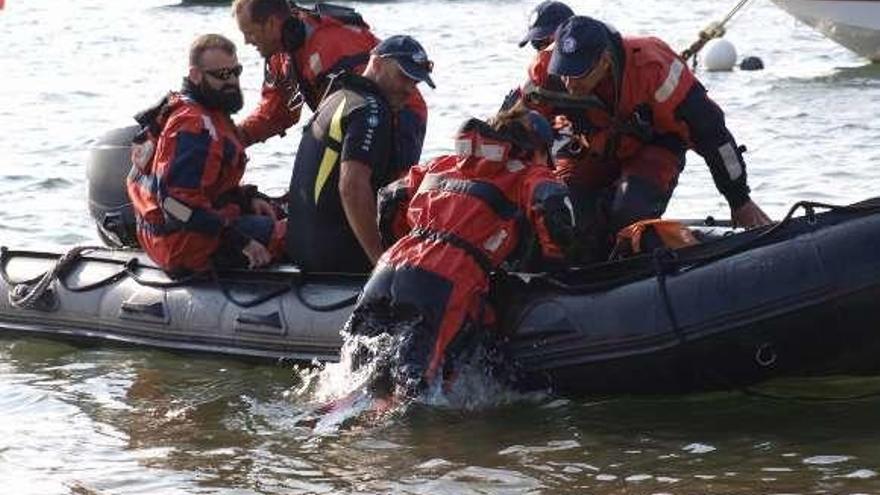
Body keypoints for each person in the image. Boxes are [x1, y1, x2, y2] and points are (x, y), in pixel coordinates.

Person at [345, 104, 577, 398]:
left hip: (391, 266)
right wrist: (555, 264)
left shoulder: (444, 163)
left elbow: (390, 199)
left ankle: (322, 429)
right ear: (537, 150)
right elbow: (553, 209)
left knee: (354, 384)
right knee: (411, 394)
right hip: (445, 280)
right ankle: (384, 440)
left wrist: (402, 242)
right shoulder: (528, 173)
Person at [546, 16, 772, 256]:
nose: (568, 83)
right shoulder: (545, 71)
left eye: (577, 74)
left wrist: (739, 199)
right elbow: (510, 126)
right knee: (563, 212)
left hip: (654, 145)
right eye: (563, 71)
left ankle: (649, 251)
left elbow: (712, 133)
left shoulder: (655, 70)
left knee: (629, 211)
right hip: (592, 145)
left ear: (604, 61)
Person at [127, 34, 285, 274]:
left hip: (189, 229)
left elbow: (207, 189)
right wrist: (242, 241)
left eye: (236, 71)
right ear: (196, 75)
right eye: (222, 75)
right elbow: (174, 205)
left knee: (278, 210)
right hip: (184, 243)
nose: (232, 80)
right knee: (298, 233)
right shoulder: (193, 125)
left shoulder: (206, 111)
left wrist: (246, 200)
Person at [286, 35, 436, 273]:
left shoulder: (336, 97)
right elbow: (352, 187)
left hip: (301, 249)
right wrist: (381, 262)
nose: (409, 90)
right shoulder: (372, 110)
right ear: (376, 64)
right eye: (404, 77)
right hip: (336, 256)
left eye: (415, 83)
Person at [232, 0, 429, 169]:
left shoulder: (330, 43)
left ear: (271, 24)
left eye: (249, 32)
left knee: (379, 191)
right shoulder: (281, 54)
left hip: (401, 113)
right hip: (359, 119)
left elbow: (368, 108)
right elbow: (276, 114)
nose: (246, 41)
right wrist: (233, 138)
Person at [504, 1, 575, 116]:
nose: (542, 50)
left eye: (547, 42)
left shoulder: (599, 65)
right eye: (536, 44)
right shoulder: (540, 76)